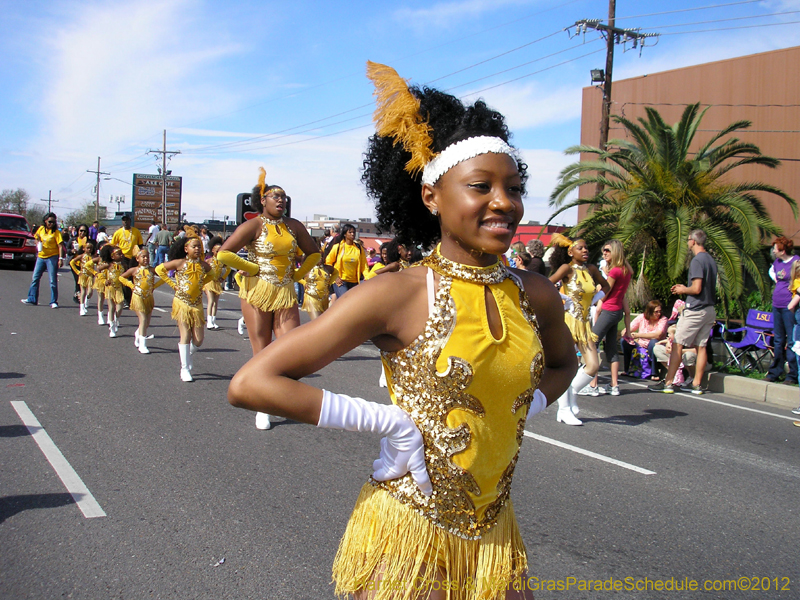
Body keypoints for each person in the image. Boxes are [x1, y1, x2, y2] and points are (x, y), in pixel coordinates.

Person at [225, 61, 576, 600]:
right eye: (481, 186)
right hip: (408, 537)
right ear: (432, 197)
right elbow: (252, 383)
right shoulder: (399, 292)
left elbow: (562, 364)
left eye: (514, 186)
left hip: (496, 536)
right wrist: (390, 423)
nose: (504, 202)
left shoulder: (535, 292)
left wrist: (529, 405)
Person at [217, 170, 319, 427]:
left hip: (284, 291)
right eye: (275, 196)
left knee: (290, 349)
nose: (281, 200)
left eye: (284, 197)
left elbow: (314, 254)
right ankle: (263, 406)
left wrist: (297, 275)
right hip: (257, 291)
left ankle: (279, 398)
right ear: (262, 200)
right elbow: (224, 253)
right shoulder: (253, 225)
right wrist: (251, 268)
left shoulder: (294, 226)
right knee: (261, 350)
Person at [548, 234, 609, 424]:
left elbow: (606, 286)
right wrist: (563, 299)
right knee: (566, 366)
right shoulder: (566, 269)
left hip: (585, 324)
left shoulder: (591, 269)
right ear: (570, 251)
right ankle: (564, 410)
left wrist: (596, 297)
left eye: (586, 248)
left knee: (593, 365)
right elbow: (546, 285)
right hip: (568, 322)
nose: (585, 251)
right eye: (580, 248)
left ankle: (572, 391)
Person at [650, 229, 718, 394]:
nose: (688, 242)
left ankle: (668, 383)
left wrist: (683, 289)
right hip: (709, 310)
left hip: (695, 310)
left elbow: (696, 288)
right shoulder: (711, 260)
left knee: (677, 344)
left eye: (688, 240)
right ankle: (696, 384)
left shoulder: (697, 261)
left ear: (693, 241)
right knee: (701, 346)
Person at [155, 237, 212, 381]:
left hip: (197, 305)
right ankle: (184, 368)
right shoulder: (180, 263)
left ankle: (187, 355)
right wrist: (172, 284)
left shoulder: (203, 265)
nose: (198, 249)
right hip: (182, 303)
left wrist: (201, 283)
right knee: (185, 335)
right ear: (186, 249)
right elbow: (159, 269)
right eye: (194, 246)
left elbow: (212, 274)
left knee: (199, 340)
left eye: (199, 246)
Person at [585, 240, 632, 396]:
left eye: (607, 250)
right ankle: (614, 385)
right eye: (603, 250)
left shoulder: (615, 271)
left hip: (608, 310)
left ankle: (592, 385)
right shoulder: (626, 270)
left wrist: (598, 288)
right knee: (611, 348)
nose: (604, 253)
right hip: (616, 311)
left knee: (592, 343)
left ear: (615, 252)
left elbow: (605, 291)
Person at [766, 236, 799, 384]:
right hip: (777, 304)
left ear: (782, 250)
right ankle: (775, 371)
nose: (774, 251)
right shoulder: (777, 263)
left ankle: (792, 374)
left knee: (791, 341)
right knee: (778, 339)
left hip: (788, 305)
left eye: (775, 249)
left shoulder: (795, 262)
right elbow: (772, 272)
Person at [120, 248, 164, 354]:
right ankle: (142, 345)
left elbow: (164, 277)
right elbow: (121, 278)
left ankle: (138, 334)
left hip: (148, 297)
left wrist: (155, 286)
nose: (146, 258)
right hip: (137, 296)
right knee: (143, 319)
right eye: (143, 256)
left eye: (147, 257)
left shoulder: (152, 270)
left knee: (146, 323)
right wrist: (131, 285)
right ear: (137, 258)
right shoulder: (134, 270)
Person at [21, 212, 66, 308]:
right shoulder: (41, 229)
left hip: (52, 257)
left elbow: (60, 246)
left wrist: (60, 258)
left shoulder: (56, 232)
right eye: (49, 222)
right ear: (45, 221)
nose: (51, 224)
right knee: (35, 278)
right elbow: (36, 236)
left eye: (53, 222)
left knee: (52, 281)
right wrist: (38, 242)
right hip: (41, 257)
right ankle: (32, 298)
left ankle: (53, 301)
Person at [621, 299, 668, 380]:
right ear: (649, 312)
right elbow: (629, 328)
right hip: (641, 344)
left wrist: (638, 335)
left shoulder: (663, 320)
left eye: (659, 311)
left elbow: (657, 335)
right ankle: (627, 369)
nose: (658, 314)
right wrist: (626, 333)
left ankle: (654, 373)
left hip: (655, 345)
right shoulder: (642, 317)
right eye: (656, 312)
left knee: (653, 343)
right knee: (624, 341)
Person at [325, 223, 368, 297]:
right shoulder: (337, 247)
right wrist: (335, 277)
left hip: (354, 282)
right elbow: (328, 262)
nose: (352, 234)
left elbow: (364, 265)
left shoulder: (358, 248)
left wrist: (367, 277)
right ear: (345, 234)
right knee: (345, 299)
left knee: (353, 303)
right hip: (341, 281)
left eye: (354, 232)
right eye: (350, 232)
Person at [111, 215, 144, 308]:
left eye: (127, 221)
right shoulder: (118, 232)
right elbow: (113, 246)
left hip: (134, 258)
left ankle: (134, 298)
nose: (126, 223)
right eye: (124, 221)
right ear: (122, 222)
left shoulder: (136, 231)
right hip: (123, 257)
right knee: (125, 278)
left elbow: (140, 245)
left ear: (130, 221)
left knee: (134, 278)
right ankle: (126, 299)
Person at [97, 244, 125, 338]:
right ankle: (112, 328)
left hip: (119, 288)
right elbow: (98, 270)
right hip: (110, 288)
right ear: (112, 256)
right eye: (119, 254)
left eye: (121, 254)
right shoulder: (108, 265)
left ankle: (115, 318)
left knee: (120, 306)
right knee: (112, 307)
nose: (121, 255)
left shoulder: (123, 265)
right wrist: (104, 280)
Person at [203, 236, 229, 329]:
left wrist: (223, 278)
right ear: (213, 251)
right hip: (209, 282)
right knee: (211, 301)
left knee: (216, 303)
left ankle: (213, 321)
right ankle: (209, 321)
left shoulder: (222, 261)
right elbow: (203, 270)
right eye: (217, 251)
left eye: (220, 251)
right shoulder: (209, 261)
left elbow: (228, 269)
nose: (218, 253)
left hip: (217, 283)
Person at [69, 239, 97, 316]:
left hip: (90, 276)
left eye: (90, 248)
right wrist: (77, 272)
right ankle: (81, 307)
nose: (89, 250)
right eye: (87, 248)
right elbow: (72, 262)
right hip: (83, 275)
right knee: (83, 291)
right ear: (84, 248)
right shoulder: (81, 256)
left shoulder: (93, 257)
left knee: (90, 291)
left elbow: (97, 265)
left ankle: (87, 300)